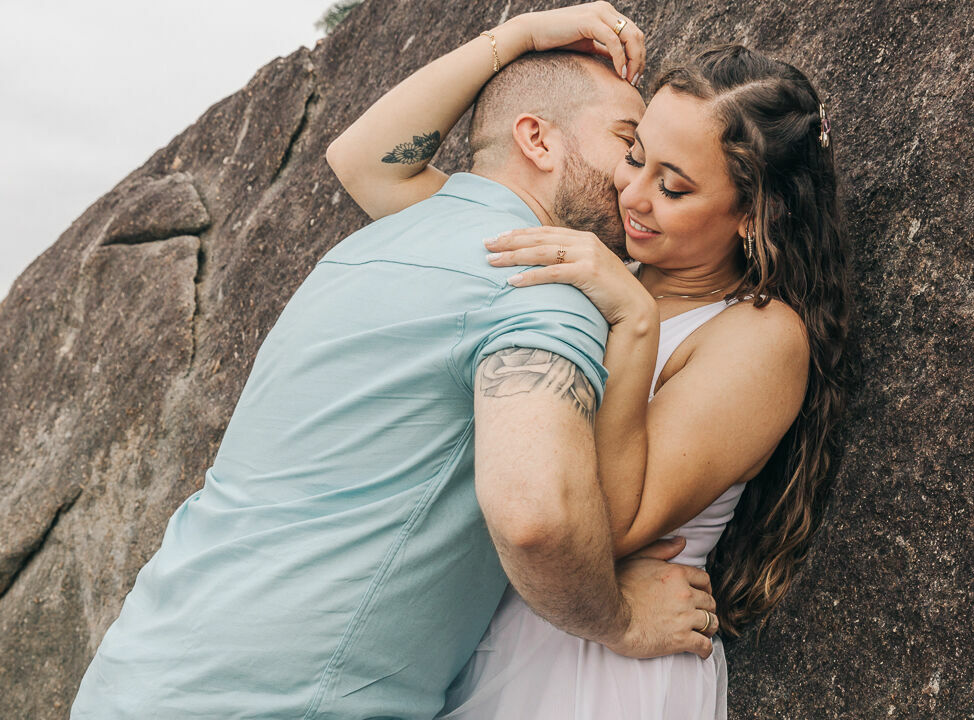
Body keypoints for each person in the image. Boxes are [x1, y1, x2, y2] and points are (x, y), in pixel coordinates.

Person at [69, 5, 721, 719]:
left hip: (135, 676)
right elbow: (537, 517)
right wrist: (620, 620)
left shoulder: (372, 247)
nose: (636, 184)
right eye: (626, 145)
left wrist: (520, 36)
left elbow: (360, 157)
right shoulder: (536, 282)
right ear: (536, 138)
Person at [329, 3, 851, 718]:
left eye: (674, 187)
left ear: (752, 216)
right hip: (503, 633)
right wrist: (516, 38)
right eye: (635, 154)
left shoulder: (761, 337)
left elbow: (608, 523)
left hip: (610, 669)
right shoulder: (593, 257)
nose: (632, 194)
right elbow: (366, 168)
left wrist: (634, 324)